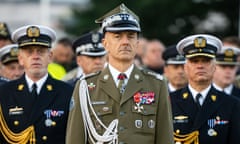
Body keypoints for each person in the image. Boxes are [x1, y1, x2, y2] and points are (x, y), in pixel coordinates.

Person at [66, 3, 174, 144]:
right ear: (105, 43)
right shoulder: (86, 86)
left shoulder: (156, 84)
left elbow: (165, 138)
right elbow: (75, 139)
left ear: (137, 42)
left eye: (130, 36)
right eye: (117, 36)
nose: (125, 42)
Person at [0, 25, 73, 144]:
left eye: (41, 51)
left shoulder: (67, 92)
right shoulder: (4, 93)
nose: (35, 57)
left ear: (50, 57)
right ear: (20, 58)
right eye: (29, 52)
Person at [171, 34, 240, 144]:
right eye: (194, 61)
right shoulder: (169, 101)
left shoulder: (232, 104)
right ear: (185, 68)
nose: (200, 66)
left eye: (206, 61)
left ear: (214, 67)